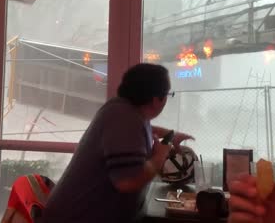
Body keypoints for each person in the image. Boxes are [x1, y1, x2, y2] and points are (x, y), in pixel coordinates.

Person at [41, 63, 194, 223]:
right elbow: (128, 181)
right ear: (157, 100)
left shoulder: (124, 111)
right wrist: (159, 156)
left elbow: (143, 131)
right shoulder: (125, 118)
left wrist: (170, 135)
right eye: (169, 95)